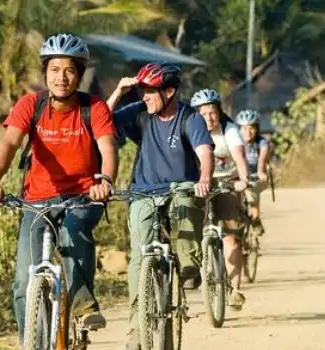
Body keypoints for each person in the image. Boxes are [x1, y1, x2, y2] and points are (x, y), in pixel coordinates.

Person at [0, 33, 118, 342]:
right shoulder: (31, 104)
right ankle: (31, 341)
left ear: (80, 74)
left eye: (69, 70)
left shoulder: (94, 108)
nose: (61, 77)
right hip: (36, 201)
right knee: (22, 283)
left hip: (83, 197)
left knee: (72, 230)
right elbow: (9, 144)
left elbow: (108, 149)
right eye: (54, 69)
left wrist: (104, 181)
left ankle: (83, 306)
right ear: (45, 72)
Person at [106, 62, 215, 349]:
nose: (144, 97)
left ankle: (189, 265)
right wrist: (119, 91)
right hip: (143, 191)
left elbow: (204, 152)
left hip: (181, 187)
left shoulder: (189, 118)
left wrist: (204, 178)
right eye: (142, 91)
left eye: (150, 92)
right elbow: (101, 120)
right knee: (139, 257)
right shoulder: (141, 114)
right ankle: (135, 328)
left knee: (185, 207)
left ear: (170, 91)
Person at [189, 88, 250, 309]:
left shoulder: (230, 130)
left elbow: (240, 156)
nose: (209, 118)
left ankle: (235, 289)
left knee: (231, 236)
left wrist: (243, 178)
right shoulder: (191, 130)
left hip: (228, 183)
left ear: (220, 112)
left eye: (213, 112)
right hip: (200, 185)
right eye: (204, 114)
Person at [234, 109, 271, 236]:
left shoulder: (262, 142)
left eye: (251, 128)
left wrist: (261, 172)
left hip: (255, 177)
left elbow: (262, 159)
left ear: (257, 128)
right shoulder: (235, 142)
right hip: (237, 176)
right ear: (238, 129)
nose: (248, 132)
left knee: (251, 195)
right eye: (244, 128)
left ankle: (256, 221)